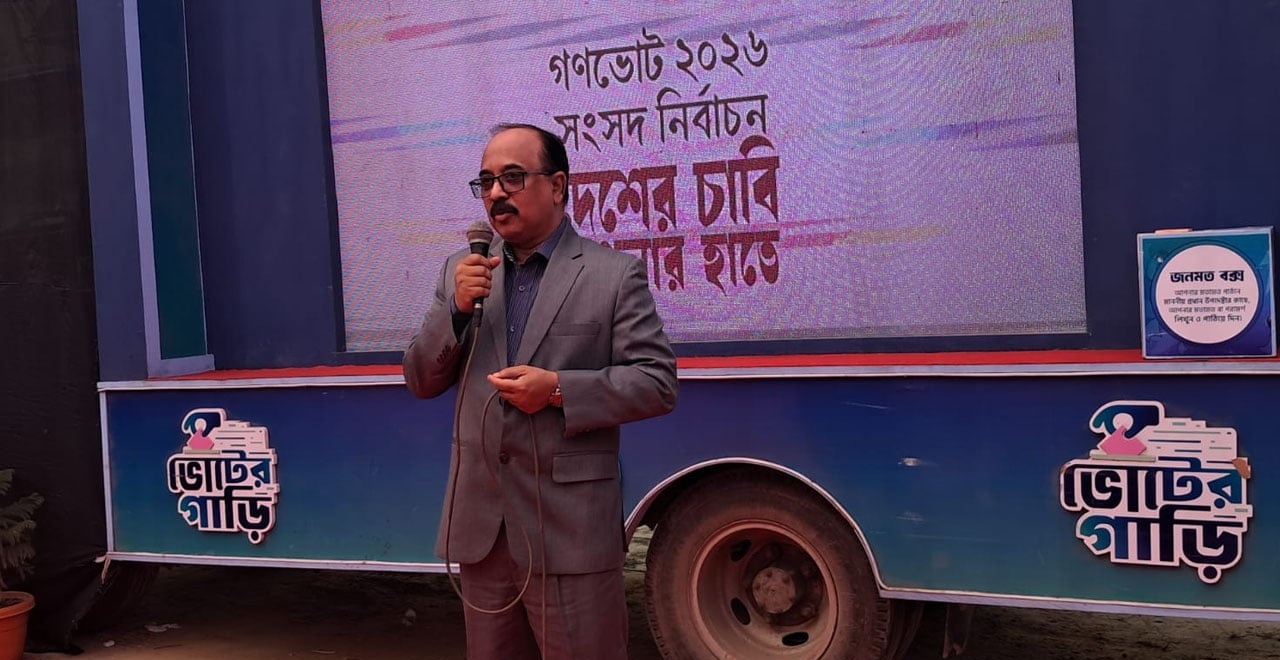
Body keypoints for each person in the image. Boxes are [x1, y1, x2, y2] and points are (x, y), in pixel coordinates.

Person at [402, 123, 678, 659]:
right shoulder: (461, 273)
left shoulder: (612, 275)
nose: (496, 194)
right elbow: (420, 379)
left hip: (569, 533)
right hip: (484, 535)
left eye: (512, 178)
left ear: (557, 186)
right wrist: (455, 311)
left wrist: (557, 391)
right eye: (486, 182)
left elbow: (657, 382)